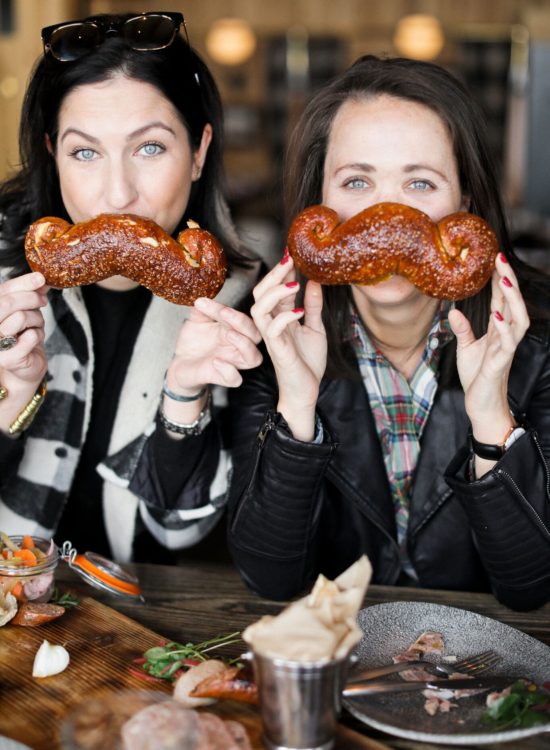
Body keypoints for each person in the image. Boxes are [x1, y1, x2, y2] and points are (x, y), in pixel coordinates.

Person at [227, 55, 550, 611]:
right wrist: (297, 406)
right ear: (319, 205)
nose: (387, 220)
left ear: (465, 203)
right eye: (357, 181)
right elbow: (270, 581)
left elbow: (531, 588)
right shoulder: (271, 332)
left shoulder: (537, 339)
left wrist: (492, 419)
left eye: (420, 182)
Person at [0, 11, 262, 563]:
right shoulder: (7, 282)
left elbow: (177, 533)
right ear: (53, 155)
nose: (117, 194)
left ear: (198, 153)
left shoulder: (240, 309)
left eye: (150, 148)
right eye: (85, 152)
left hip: (134, 632)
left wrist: (184, 397)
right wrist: (11, 395)